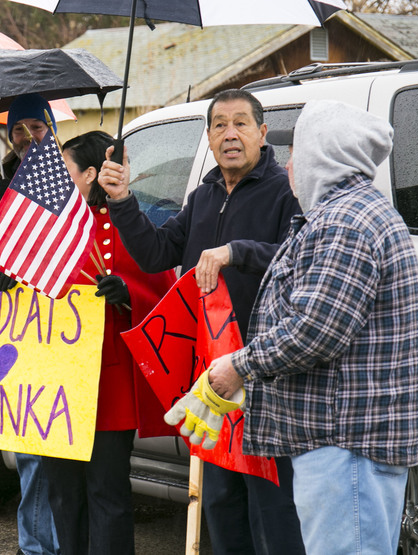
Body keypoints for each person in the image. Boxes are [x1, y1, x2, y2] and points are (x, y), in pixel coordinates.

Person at [205, 99, 418, 555]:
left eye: (296, 153)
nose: (288, 166)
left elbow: (314, 331)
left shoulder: (346, 222)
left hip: (345, 446)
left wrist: (239, 365)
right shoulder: (351, 214)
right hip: (347, 443)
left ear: (322, 155)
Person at [98, 89, 305, 554]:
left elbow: (299, 257)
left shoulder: (286, 191)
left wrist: (237, 252)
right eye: (219, 125)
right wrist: (123, 200)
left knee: (271, 508)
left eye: (241, 123)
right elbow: (155, 253)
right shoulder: (203, 195)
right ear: (208, 138)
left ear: (262, 133)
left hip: (263, 374)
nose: (230, 134)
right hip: (209, 380)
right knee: (220, 503)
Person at [40, 131, 176, 554]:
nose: (58, 181)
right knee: (62, 492)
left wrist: (129, 294)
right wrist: (6, 277)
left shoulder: (126, 222)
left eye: (66, 171)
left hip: (107, 386)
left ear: (91, 175)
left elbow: (163, 289)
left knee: (108, 493)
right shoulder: (47, 227)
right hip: (54, 383)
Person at [0, 93, 61, 555]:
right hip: (13, 325)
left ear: (50, 127)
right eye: (17, 129)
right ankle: (35, 546)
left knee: (60, 445)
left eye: (35, 126)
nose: (26, 136)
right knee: (28, 441)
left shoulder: (69, 174)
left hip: (62, 324)